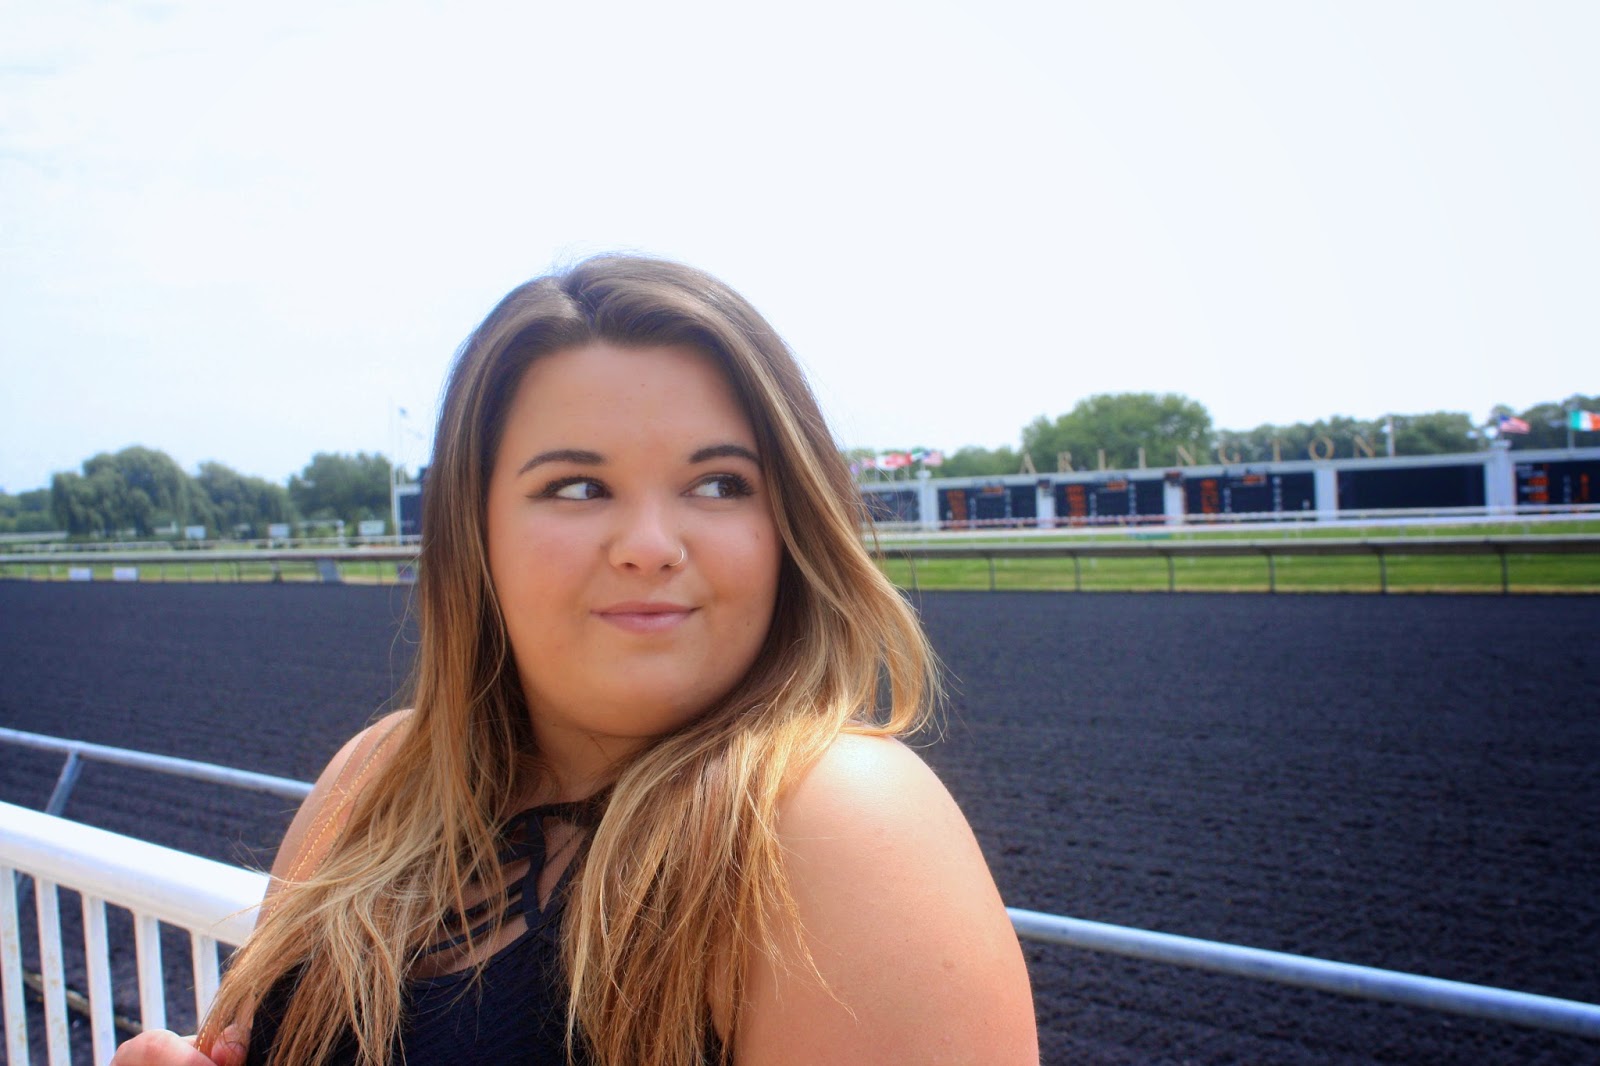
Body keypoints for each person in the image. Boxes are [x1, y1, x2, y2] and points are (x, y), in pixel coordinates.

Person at [112, 256, 1038, 1065]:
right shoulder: (372, 782)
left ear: (787, 524)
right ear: (477, 534)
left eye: (718, 483)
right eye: (577, 487)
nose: (648, 544)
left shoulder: (832, 822)